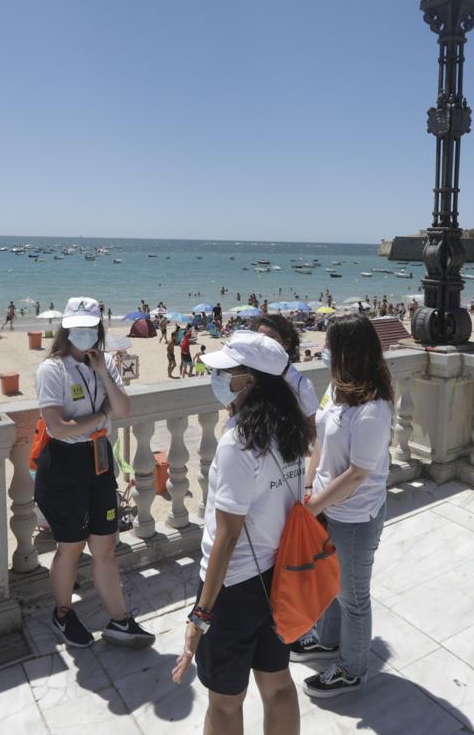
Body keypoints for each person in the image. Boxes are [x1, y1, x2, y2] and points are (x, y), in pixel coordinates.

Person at [171, 331, 309, 734]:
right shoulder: (291, 431)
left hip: (233, 590)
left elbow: (227, 537)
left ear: (250, 380)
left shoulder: (240, 441)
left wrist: (201, 614)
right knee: (278, 684)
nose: (218, 379)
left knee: (225, 703)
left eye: (226, 372)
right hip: (277, 577)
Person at [34, 297, 153, 649]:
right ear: (66, 329)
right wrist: (101, 418)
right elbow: (58, 427)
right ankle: (63, 613)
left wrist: (102, 371)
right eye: (79, 328)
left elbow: (124, 407)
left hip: (99, 462)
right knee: (69, 547)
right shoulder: (52, 369)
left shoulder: (104, 365)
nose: (86, 334)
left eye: (92, 327)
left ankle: (120, 620)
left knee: (106, 546)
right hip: (64, 465)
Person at [291, 314, 394, 698]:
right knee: (331, 583)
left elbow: (356, 475)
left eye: (331, 344)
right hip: (325, 505)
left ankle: (352, 668)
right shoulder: (337, 388)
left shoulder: (374, 409)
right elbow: (319, 438)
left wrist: (312, 506)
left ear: (349, 352)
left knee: (353, 596)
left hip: (354, 516)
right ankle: (327, 640)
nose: (325, 350)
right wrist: (307, 483)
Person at [256, 314, 318, 444]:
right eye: (258, 337)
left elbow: (314, 432)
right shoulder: (252, 376)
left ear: (286, 343)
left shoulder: (301, 385)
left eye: (270, 338)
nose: (262, 343)